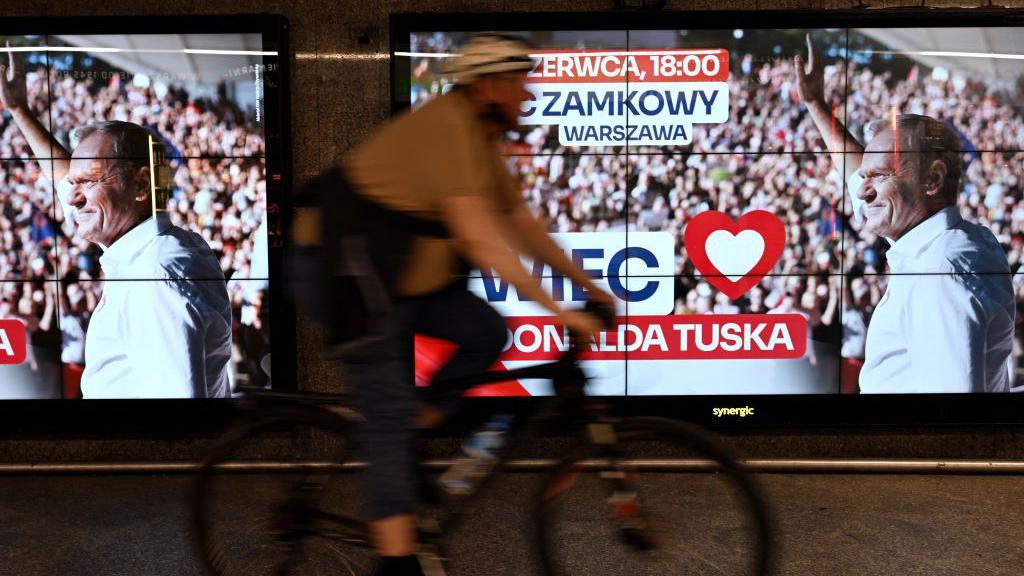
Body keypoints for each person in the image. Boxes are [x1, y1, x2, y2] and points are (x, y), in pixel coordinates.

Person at [293, 34, 615, 576]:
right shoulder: (446, 125)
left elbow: (521, 226)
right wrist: (560, 311)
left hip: (400, 274)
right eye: (519, 84)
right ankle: (396, 560)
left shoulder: (479, 138)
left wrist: (594, 289)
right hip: (343, 269)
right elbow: (486, 242)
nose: (528, 96)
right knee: (391, 417)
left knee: (485, 331)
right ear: (487, 86)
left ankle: (415, 434)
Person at [0, 51, 232, 398]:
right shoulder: (156, 246)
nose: (74, 197)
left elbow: (180, 425)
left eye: (89, 182)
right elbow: (65, 177)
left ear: (140, 186)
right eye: (75, 184)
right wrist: (20, 110)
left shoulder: (154, 276)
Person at [795, 35, 1015, 393]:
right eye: (865, 178)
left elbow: (953, 423)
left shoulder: (940, 271)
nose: (864, 191)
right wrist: (816, 104)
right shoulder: (948, 238)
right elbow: (859, 175)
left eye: (880, 176)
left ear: (932, 179)